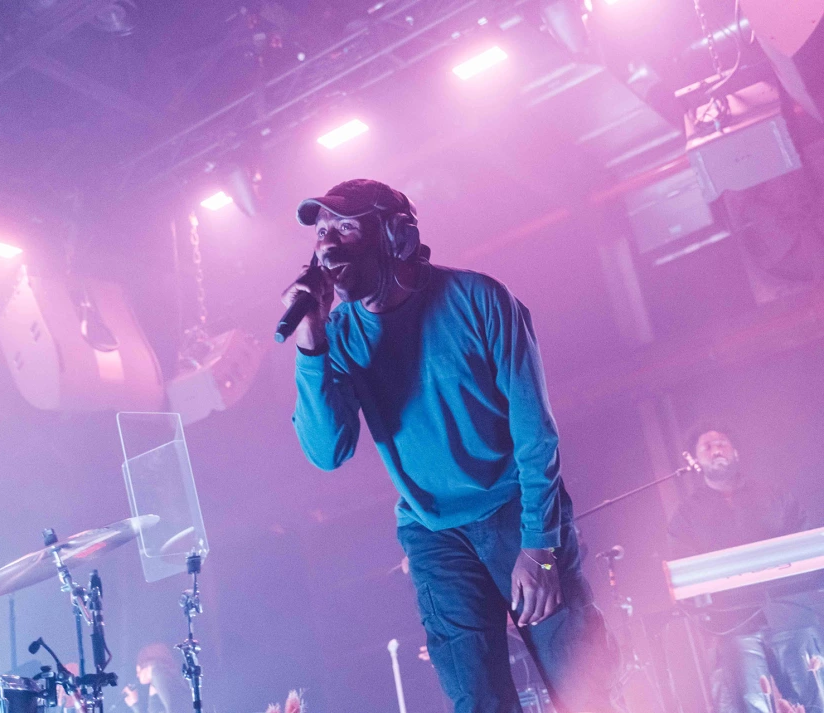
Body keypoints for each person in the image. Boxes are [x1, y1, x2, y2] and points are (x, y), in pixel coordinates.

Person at [283, 178, 620, 713]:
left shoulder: (479, 300)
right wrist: (311, 339)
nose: (328, 243)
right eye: (321, 231)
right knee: (477, 700)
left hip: (517, 512)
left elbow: (536, 433)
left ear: (395, 235)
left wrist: (542, 548)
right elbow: (328, 451)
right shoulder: (340, 332)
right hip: (432, 532)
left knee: (585, 688)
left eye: (345, 226)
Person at [668, 425, 824, 713]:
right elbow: (684, 570)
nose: (716, 450)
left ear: (735, 452)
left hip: (790, 615)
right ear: (696, 461)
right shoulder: (687, 514)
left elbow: (808, 544)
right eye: (707, 447)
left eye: (722, 444)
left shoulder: (774, 495)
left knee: (815, 698)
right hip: (733, 626)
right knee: (751, 704)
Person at [122, 643, 188, 713]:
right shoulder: (157, 683)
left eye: (138, 670)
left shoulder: (158, 673)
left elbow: (176, 710)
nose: (137, 675)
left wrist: (155, 669)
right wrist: (135, 705)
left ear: (146, 664)